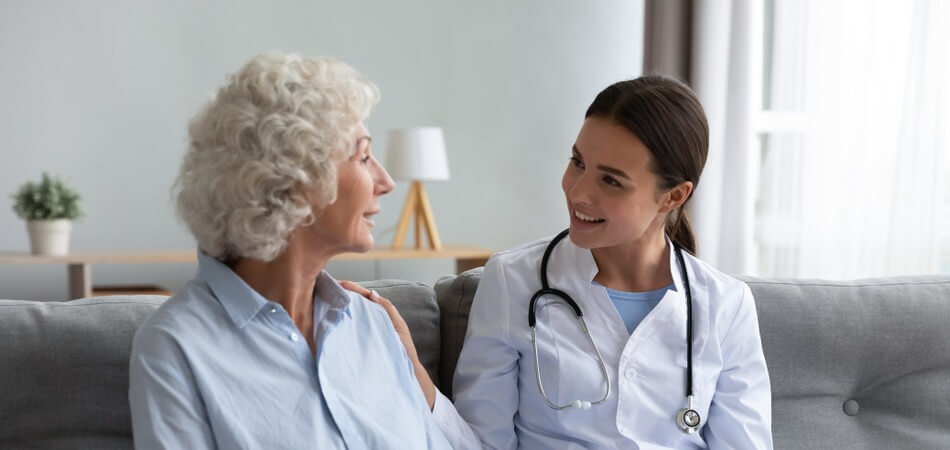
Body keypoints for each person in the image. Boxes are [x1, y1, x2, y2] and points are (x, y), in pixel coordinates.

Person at [353, 76, 772, 449]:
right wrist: (411, 365)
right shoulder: (514, 281)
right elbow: (482, 443)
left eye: (610, 180)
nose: (578, 192)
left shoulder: (726, 305)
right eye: (577, 163)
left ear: (674, 197)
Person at [128, 52, 451, 449]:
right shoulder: (177, 348)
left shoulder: (374, 325)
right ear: (297, 180)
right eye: (364, 156)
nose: (385, 181)